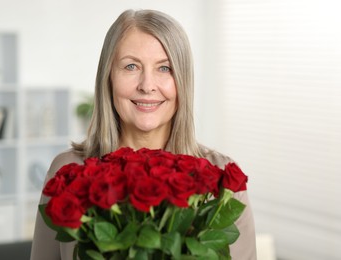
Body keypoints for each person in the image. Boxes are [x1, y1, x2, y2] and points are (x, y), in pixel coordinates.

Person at [30, 9, 257, 260]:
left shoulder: (223, 177)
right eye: (131, 66)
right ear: (108, 77)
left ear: (183, 80)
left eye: (164, 68)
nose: (147, 85)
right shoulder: (67, 171)